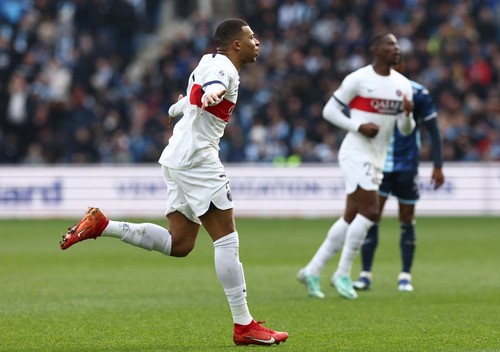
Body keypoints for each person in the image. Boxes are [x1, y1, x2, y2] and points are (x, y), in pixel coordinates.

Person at [59, 18, 288, 347]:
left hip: (177, 157)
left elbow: (193, 95)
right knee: (226, 240)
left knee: (180, 244)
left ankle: (102, 225)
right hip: (198, 160)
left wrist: (175, 107)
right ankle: (244, 326)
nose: (258, 42)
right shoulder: (225, 68)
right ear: (236, 44)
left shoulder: (207, 61)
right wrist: (214, 92)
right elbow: (214, 85)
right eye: (252, 37)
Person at [297, 33, 416, 299]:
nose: (396, 49)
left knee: (351, 215)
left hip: (377, 156)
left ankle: (312, 270)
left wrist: (407, 114)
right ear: (375, 49)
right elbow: (329, 111)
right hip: (355, 152)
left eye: (398, 46)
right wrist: (358, 125)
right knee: (371, 211)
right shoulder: (358, 79)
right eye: (390, 44)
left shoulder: (403, 85)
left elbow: (406, 130)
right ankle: (342, 273)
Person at [352, 76, 445, 292]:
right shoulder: (372, 89)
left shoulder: (418, 92)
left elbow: (433, 129)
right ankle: (365, 274)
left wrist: (438, 165)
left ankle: (405, 275)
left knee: (407, 218)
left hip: (407, 165)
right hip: (379, 163)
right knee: (371, 216)